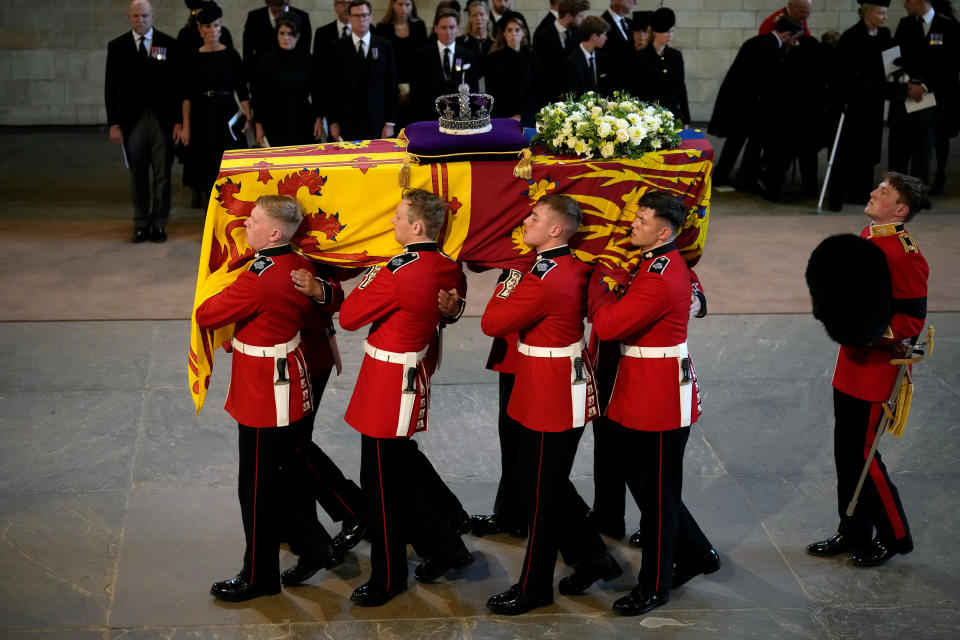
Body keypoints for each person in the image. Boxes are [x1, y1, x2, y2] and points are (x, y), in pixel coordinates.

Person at [196, 195, 341, 602]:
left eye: (254, 220)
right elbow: (327, 302)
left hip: (265, 388)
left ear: (274, 233)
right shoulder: (298, 264)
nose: (245, 225)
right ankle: (314, 545)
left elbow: (208, 315)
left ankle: (259, 576)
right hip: (286, 378)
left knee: (256, 487)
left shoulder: (259, 275)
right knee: (284, 471)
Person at [482, 195, 620, 616]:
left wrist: (511, 284)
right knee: (542, 481)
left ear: (556, 230)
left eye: (535, 218)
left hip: (551, 390)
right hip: (544, 383)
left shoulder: (542, 278)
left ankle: (534, 585)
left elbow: (492, 322)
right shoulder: (569, 266)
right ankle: (593, 557)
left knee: (541, 493)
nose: (526, 221)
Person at [339, 189, 472, 607]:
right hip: (409, 374)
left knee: (380, 486)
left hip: (387, 381)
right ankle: (447, 545)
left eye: (398, 217)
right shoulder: (448, 266)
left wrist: (374, 276)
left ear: (416, 227)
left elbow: (348, 317)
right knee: (396, 472)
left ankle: (389, 576)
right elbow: (452, 305)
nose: (392, 223)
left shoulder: (396, 272)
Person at [589, 190, 718, 617]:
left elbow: (608, 325)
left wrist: (599, 291)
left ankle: (655, 585)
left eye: (641, 220)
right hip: (644, 387)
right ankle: (697, 552)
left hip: (659, 395)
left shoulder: (659, 274)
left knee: (659, 497)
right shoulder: (653, 263)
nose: (632, 224)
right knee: (646, 483)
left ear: (663, 231)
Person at [807, 172, 929, 567]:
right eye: (876, 186)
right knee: (846, 453)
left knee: (864, 456)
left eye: (884, 191)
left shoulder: (904, 253)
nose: (873, 192)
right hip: (852, 363)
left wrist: (864, 333)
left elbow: (910, 321)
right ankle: (853, 529)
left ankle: (895, 535)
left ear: (901, 209)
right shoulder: (870, 235)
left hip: (877, 368)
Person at [105, 0, 182, 243]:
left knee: (162, 174)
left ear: (153, 16)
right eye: (136, 16)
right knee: (137, 173)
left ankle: (159, 222)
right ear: (129, 17)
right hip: (132, 120)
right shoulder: (117, 47)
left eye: (145, 16)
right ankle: (140, 222)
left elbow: (177, 87)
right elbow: (110, 88)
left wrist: (179, 121)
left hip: (162, 120)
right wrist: (113, 123)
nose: (141, 20)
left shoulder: (167, 44)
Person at [707, 16, 802, 189]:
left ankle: (724, 175)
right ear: (787, 34)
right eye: (794, 38)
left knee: (735, 142)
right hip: (749, 105)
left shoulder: (759, 41)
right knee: (750, 142)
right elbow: (766, 82)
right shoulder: (771, 48)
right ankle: (743, 176)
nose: (794, 43)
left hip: (739, 102)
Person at [180, 2, 251, 208]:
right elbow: (187, 96)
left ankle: (231, 212)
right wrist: (185, 125)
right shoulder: (193, 58)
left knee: (229, 163)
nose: (213, 30)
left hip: (226, 113)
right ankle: (208, 215)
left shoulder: (231, 55)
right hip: (202, 115)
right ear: (201, 29)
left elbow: (241, 89)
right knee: (205, 164)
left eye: (217, 26)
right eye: (209, 26)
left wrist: (248, 115)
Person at [827, 1, 894, 211]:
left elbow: (891, 63)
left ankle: (859, 194)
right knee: (846, 152)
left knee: (868, 150)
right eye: (881, 13)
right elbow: (839, 70)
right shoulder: (851, 36)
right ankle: (837, 195)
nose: (884, 17)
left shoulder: (884, 35)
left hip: (873, 103)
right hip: (853, 103)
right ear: (869, 14)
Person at [889, 0, 959, 187]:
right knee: (901, 146)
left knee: (925, 147)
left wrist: (925, 86)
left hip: (933, 96)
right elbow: (896, 56)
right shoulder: (906, 24)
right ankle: (898, 191)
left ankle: (918, 192)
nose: (905, 5)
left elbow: (950, 63)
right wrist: (908, 84)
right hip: (908, 93)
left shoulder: (947, 26)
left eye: (908, 0)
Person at [325, 0, 398, 142]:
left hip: (378, 120)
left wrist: (390, 122)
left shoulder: (385, 46)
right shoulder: (336, 48)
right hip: (347, 121)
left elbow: (391, 85)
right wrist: (332, 122)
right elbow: (330, 87)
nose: (361, 19)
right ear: (349, 17)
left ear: (370, 16)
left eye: (365, 15)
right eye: (357, 16)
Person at [253, 14, 322, 147]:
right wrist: (258, 126)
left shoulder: (308, 60)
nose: (286, 38)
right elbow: (259, 96)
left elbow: (317, 92)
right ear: (277, 34)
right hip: (274, 120)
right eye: (282, 33)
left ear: (298, 35)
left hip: (303, 119)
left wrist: (318, 119)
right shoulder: (266, 62)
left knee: (303, 164)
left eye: (291, 34)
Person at [410, 9, 479, 122]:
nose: (448, 31)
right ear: (436, 28)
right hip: (428, 117)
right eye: (443, 27)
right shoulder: (422, 55)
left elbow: (473, 89)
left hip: (460, 118)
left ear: (457, 29)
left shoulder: (468, 55)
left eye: (452, 27)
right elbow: (416, 90)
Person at [375, 0, 428, 129]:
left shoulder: (419, 26)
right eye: (400, 4)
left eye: (407, 4)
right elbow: (382, 64)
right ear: (393, 5)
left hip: (416, 86)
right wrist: (397, 90)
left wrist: (412, 89)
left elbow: (424, 61)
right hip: (391, 86)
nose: (404, 8)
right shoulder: (382, 28)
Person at [485, 11, 542, 127]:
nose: (513, 34)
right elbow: (493, 91)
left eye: (517, 30)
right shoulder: (493, 59)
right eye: (509, 30)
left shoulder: (532, 57)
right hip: (502, 116)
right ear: (504, 34)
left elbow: (535, 89)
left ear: (523, 33)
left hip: (527, 116)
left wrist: (521, 115)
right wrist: (510, 117)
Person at [633, 7, 689, 125]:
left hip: (672, 116)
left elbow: (681, 87)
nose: (670, 35)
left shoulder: (676, 56)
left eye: (672, 31)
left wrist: (686, 117)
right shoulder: (640, 57)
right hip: (648, 118)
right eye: (666, 31)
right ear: (655, 32)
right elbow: (636, 90)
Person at [533, 0, 588, 108]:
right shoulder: (542, 35)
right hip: (549, 98)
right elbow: (540, 71)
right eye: (580, 16)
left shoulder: (577, 34)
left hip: (571, 98)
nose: (583, 19)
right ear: (568, 15)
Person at [242, 0, 312, 84]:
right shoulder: (255, 16)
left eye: (282, 6)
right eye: (275, 6)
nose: (279, 10)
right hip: (262, 76)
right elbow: (247, 51)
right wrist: (250, 79)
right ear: (268, 3)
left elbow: (305, 50)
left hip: (293, 76)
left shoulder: (302, 16)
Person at [931, 0, 960, 194]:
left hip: (943, 88)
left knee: (940, 134)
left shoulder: (945, 24)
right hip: (945, 87)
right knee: (940, 136)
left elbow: (940, 55)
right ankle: (938, 174)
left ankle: (939, 174)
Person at [560, 15, 611, 96]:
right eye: (604, 34)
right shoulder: (571, 62)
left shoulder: (603, 59)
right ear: (594, 36)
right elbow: (572, 94)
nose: (606, 38)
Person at [599, 0, 635, 92]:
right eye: (633, 0)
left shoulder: (630, 23)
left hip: (630, 82)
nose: (636, 3)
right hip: (612, 84)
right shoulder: (601, 23)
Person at [459, 0, 495, 73]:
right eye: (474, 15)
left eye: (481, 14)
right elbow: (457, 67)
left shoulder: (495, 44)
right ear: (470, 17)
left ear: (488, 15)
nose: (479, 18)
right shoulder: (460, 42)